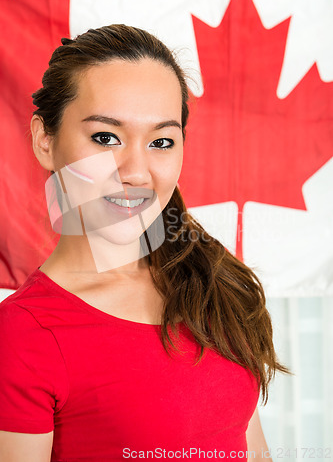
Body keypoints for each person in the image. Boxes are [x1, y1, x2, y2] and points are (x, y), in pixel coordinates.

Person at [0, 24, 290, 461]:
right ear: (45, 140)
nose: (135, 171)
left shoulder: (212, 282)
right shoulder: (22, 336)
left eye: (160, 141)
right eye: (106, 137)